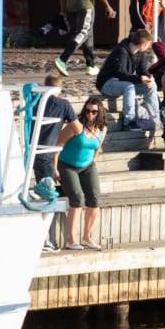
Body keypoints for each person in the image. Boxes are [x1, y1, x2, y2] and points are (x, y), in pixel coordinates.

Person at [55, 96, 108, 250]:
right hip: (66, 164)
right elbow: (57, 144)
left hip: (87, 166)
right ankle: (71, 240)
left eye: (93, 111)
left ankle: (86, 237)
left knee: (95, 198)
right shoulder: (75, 126)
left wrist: (92, 161)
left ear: (100, 113)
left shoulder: (103, 128)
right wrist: (54, 167)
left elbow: (98, 148)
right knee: (77, 198)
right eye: (87, 110)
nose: (90, 114)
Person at [32, 72, 76, 250]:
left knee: (41, 193)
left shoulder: (35, 102)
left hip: (33, 153)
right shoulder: (63, 104)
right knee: (47, 197)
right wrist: (63, 137)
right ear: (59, 88)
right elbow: (77, 127)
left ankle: (44, 240)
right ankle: (43, 240)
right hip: (47, 154)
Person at [95, 27, 160, 134]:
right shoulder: (121, 51)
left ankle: (155, 118)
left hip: (124, 83)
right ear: (143, 44)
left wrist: (148, 77)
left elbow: (142, 70)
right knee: (128, 86)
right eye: (148, 45)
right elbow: (121, 74)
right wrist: (139, 78)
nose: (148, 48)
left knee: (152, 86)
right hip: (107, 83)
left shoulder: (140, 53)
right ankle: (129, 122)